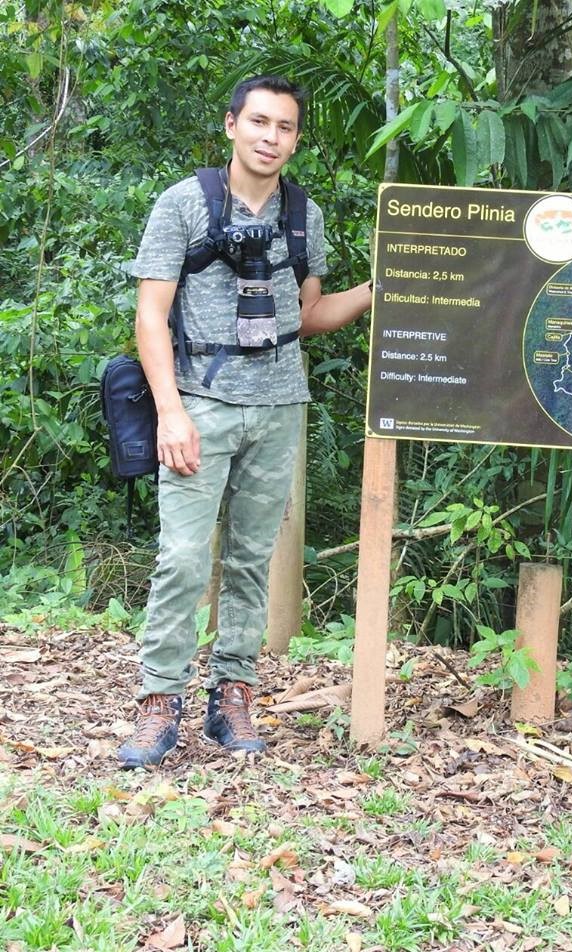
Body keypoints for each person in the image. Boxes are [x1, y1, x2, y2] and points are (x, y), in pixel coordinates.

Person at [118, 75, 372, 768]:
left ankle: (233, 695)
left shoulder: (303, 215)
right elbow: (150, 314)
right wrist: (171, 412)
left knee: (251, 562)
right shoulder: (183, 205)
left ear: (295, 139)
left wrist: (382, 288)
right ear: (231, 125)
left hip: (280, 405)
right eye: (258, 122)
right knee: (181, 559)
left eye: (285, 127)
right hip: (199, 400)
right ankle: (158, 702)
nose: (270, 137)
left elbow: (309, 316)